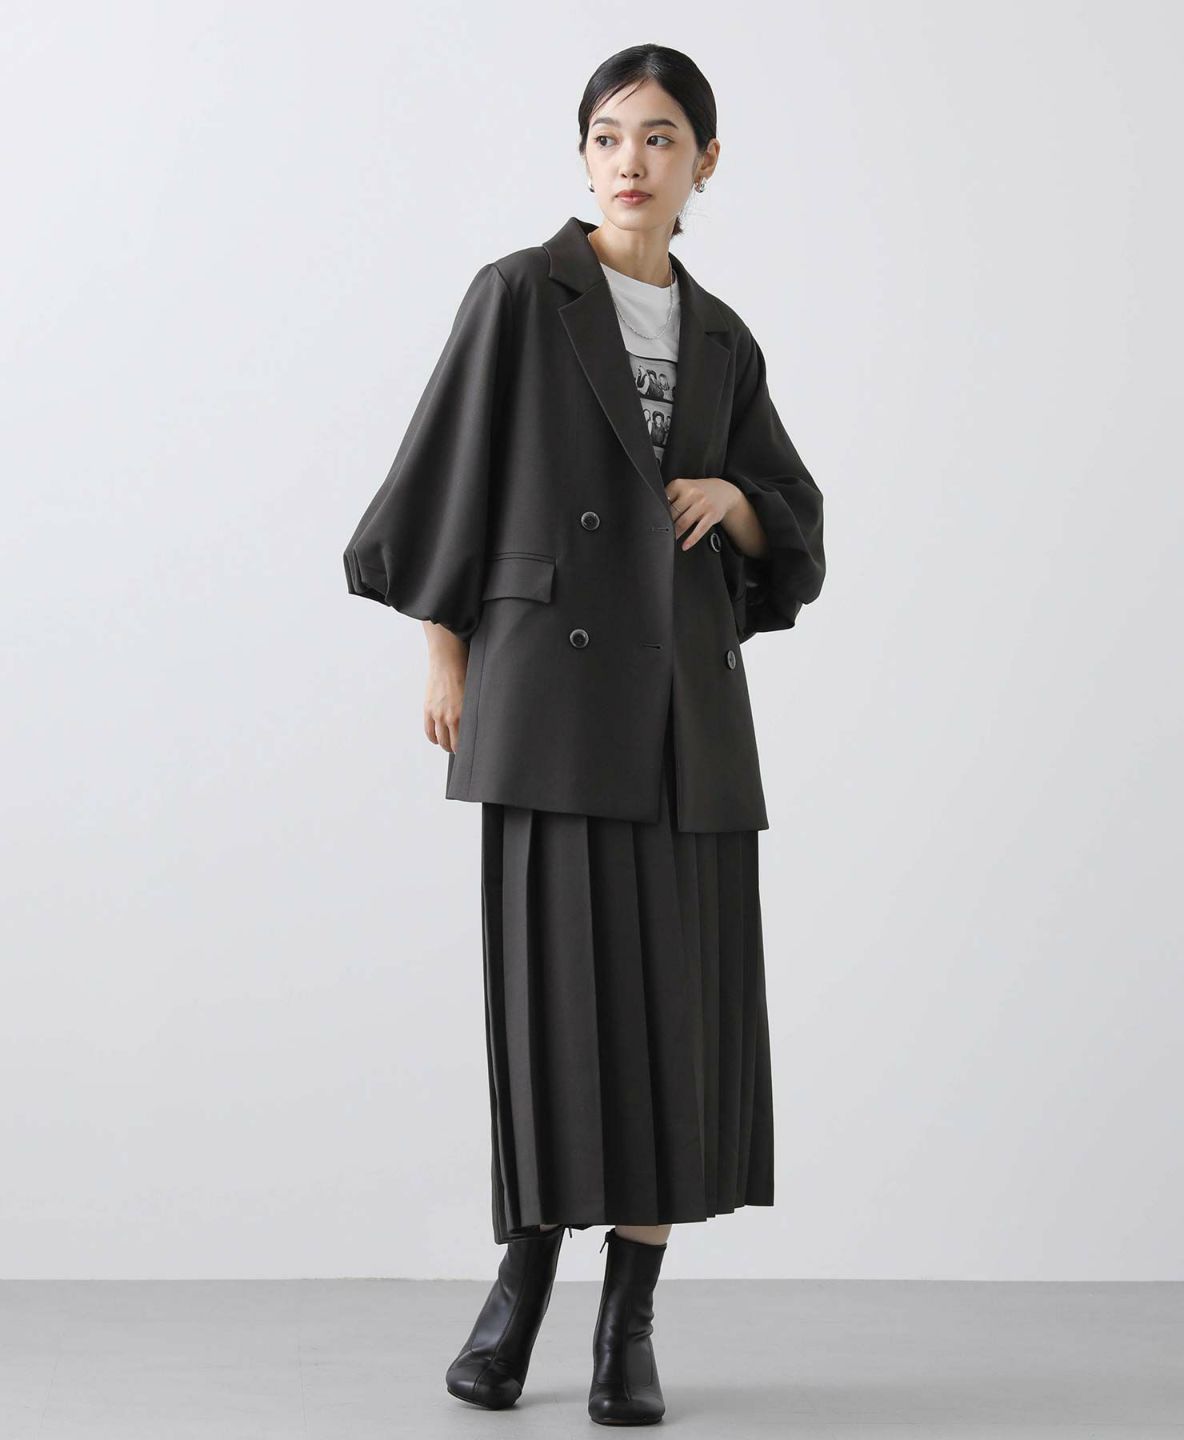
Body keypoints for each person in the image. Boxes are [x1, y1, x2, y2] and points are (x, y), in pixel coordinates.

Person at [343, 42, 826, 1427]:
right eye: (610, 136)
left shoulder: (722, 336)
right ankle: (519, 1294)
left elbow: (792, 520)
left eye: (661, 138)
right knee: (555, 1013)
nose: (631, 161)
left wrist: (737, 503)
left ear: (704, 163)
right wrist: (445, 650)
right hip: (548, 706)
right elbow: (443, 473)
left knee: (676, 1026)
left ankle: (630, 1326)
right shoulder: (521, 294)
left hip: (685, 723)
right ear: (583, 154)